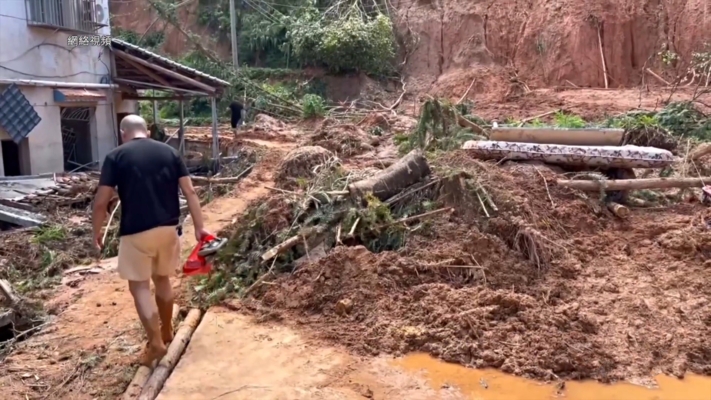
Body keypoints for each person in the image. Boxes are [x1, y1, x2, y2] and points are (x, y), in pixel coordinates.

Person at [92, 114, 211, 366]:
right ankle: (167, 330)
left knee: (140, 287)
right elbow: (189, 191)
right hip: (169, 229)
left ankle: (156, 343)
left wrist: (97, 231)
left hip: (136, 232)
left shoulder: (116, 156)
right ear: (147, 131)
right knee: (163, 280)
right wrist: (200, 228)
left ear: (123, 133)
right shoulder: (169, 152)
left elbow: (102, 201)